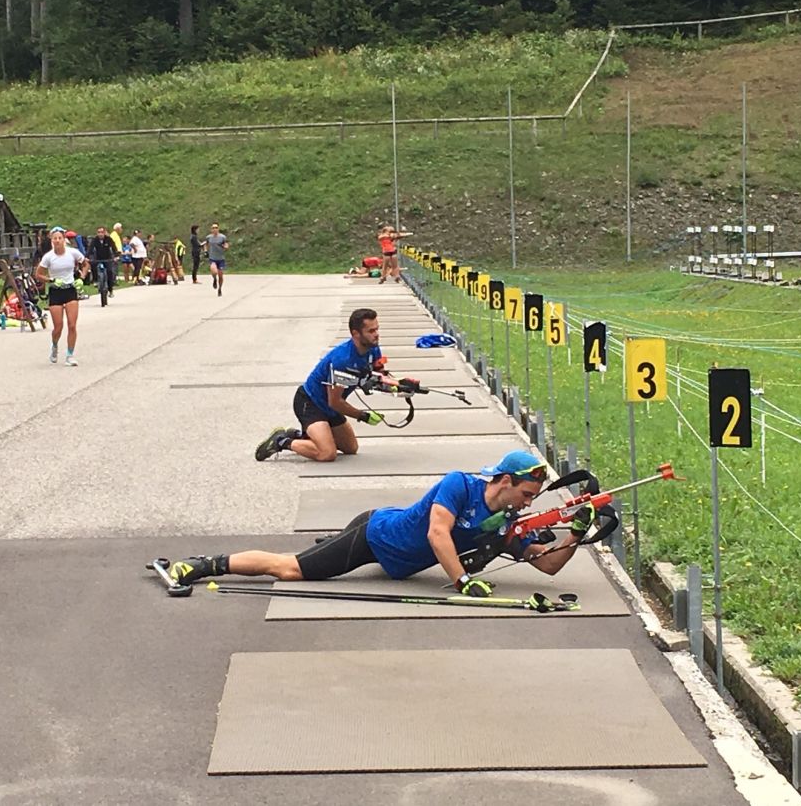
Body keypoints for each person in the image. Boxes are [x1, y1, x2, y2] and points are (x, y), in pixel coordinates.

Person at [167, 451, 585, 598]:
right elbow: (437, 534)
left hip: (394, 556)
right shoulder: (459, 484)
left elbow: (546, 564)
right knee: (291, 568)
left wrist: (578, 531)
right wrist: (462, 582)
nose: (529, 503)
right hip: (375, 539)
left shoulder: (502, 523)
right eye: (527, 493)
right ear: (506, 481)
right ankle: (204, 565)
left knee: (318, 553)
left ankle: (329, 541)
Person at [255, 308, 384, 463]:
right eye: (371, 331)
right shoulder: (343, 360)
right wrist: (362, 416)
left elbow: (380, 375)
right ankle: (281, 442)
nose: (376, 334)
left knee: (350, 448)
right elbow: (335, 402)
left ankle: (299, 435)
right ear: (356, 334)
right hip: (310, 403)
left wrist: (403, 385)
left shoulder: (373, 348)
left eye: (377, 329)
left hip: (330, 407)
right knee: (327, 454)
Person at [34, 227, 89, 366]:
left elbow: (86, 264)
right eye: (55, 239)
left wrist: (81, 277)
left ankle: (70, 355)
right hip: (55, 291)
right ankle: (54, 345)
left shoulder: (73, 253)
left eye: (60, 238)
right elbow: (38, 274)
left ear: (64, 240)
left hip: (70, 289)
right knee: (58, 326)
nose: (57, 241)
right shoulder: (49, 257)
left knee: (72, 325)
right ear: (52, 241)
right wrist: (50, 280)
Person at [88, 226, 119, 300]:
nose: (100, 234)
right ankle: (96, 281)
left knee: (109, 272)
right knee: (93, 266)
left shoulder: (108, 239)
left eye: (102, 232)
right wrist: (87, 256)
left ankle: (110, 289)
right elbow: (90, 249)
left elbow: (114, 248)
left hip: (107, 259)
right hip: (98, 259)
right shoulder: (95, 240)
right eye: (98, 232)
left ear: (104, 233)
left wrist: (116, 256)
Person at [203, 222, 229, 296]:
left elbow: (226, 244)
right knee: (214, 271)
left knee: (220, 275)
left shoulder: (222, 237)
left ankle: (220, 288)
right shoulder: (209, 237)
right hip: (212, 258)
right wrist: (205, 251)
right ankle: (214, 279)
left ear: (218, 229)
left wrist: (225, 247)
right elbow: (205, 244)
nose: (215, 229)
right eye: (213, 228)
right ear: (211, 230)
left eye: (216, 228)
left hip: (221, 259)